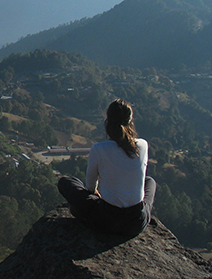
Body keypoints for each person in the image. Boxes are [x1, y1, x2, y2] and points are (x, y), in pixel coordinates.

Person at [57, 99, 156, 237]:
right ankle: (147, 212)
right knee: (150, 182)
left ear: (108, 122)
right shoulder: (143, 145)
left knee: (65, 182)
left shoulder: (99, 149)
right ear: (130, 122)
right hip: (136, 223)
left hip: (106, 221)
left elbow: (90, 188)